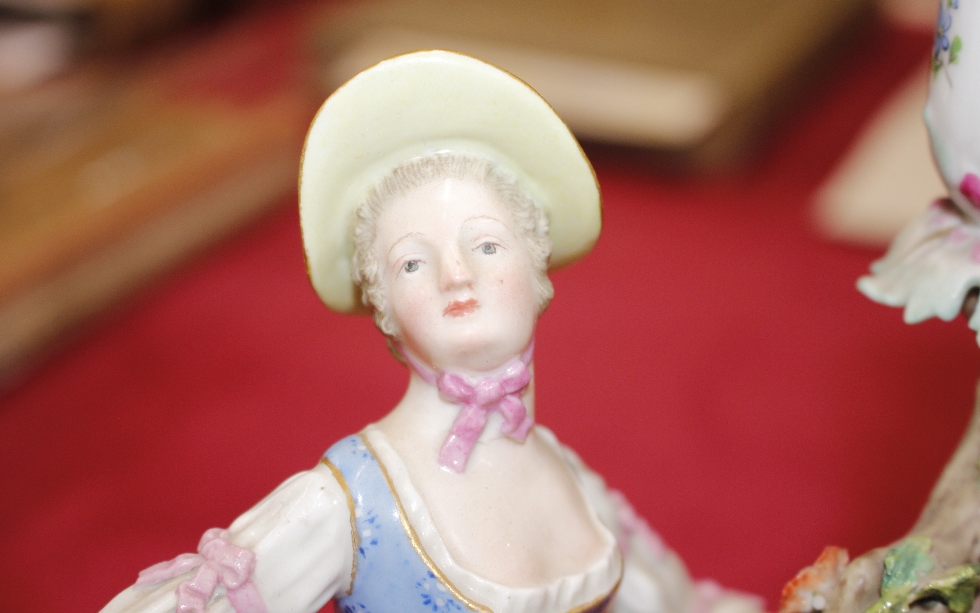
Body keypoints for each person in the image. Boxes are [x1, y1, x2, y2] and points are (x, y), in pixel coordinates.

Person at [102, 51, 761, 613]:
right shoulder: (349, 505)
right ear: (385, 306)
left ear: (537, 269)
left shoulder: (576, 484)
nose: (456, 274)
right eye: (413, 261)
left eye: (487, 245)